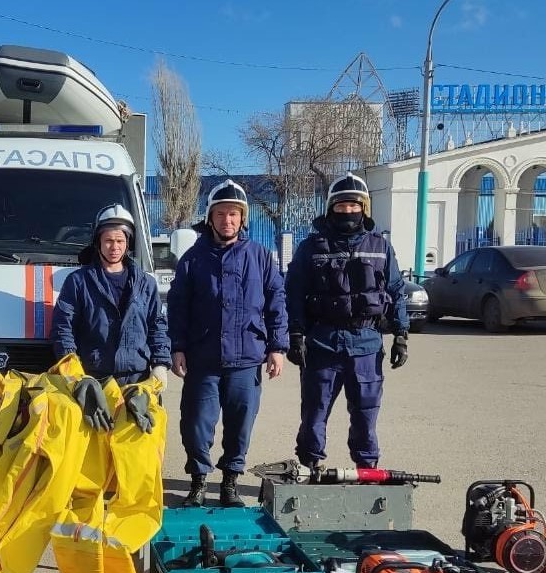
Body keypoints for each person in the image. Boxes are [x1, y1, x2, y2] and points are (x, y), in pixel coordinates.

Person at [167, 180, 288, 508]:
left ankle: (230, 483)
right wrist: (176, 347)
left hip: (246, 358)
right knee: (195, 422)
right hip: (202, 357)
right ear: (210, 218)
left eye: (234, 214)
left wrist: (277, 347)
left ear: (242, 218)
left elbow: (277, 303)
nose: (227, 220)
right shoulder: (193, 259)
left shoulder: (261, 257)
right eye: (221, 214)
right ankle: (198, 482)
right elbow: (177, 307)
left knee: (240, 423)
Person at [285, 172, 408, 470]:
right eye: (342, 206)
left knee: (366, 414)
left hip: (366, 345)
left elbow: (395, 291)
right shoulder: (311, 248)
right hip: (322, 344)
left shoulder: (380, 247)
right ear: (331, 209)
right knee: (314, 412)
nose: (348, 211)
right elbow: (294, 294)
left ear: (364, 208)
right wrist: (296, 335)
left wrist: (401, 334)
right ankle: (310, 467)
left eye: (354, 206)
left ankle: (366, 471)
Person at [52, 203, 171, 387]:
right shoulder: (78, 282)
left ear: (128, 243)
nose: (114, 247)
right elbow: (63, 327)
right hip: (92, 381)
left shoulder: (146, 284)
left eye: (120, 241)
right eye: (108, 240)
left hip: (136, 382)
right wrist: (71, 367)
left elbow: (157, 326)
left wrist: (161, 364)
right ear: (98, 242)